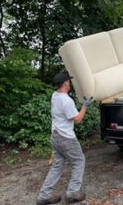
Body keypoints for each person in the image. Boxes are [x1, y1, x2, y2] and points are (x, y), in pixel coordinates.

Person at [36, 72, 94, 205]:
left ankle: (43, 196)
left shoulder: (55, 96)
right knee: (79, 160)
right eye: (69, 81)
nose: (70, 83)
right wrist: (85, 106)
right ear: (65, 84)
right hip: (65, 138)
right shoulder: (66, 100)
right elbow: (78, 119)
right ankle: (72, 192)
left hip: (55, 136)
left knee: (57, 165)